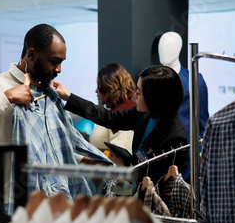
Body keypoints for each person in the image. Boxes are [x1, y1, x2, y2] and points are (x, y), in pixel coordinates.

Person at [0, 24, 110, 207]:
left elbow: (45, 146)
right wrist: (7, 98)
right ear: (31, 55)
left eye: (61, 62)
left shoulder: (48, 91)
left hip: (56, 201)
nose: (59, 69)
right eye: (54, 61)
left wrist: (82, 160)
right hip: (15, 201)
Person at [53, 65, 188, 183]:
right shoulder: (143, 113)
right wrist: (68, 96)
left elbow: (158, 180)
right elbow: (109, 117)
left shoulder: (175, 138)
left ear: (154, 99)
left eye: (139, 93)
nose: (134, 95)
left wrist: (125, 164)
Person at [158, 31, 209, 141]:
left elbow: (203, 120)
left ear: (178, 48)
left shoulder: (194, 79)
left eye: (167, 47)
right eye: (160, 47)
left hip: (186, 146)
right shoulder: (150, 80)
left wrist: (200, 152)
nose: (163, 51)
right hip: (158, 147)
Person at [89, 63, 136, 154]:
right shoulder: (122, 109)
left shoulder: (123, 114)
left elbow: (121, 159)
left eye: (99, 85)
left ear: (109, 87)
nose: (96, 90)